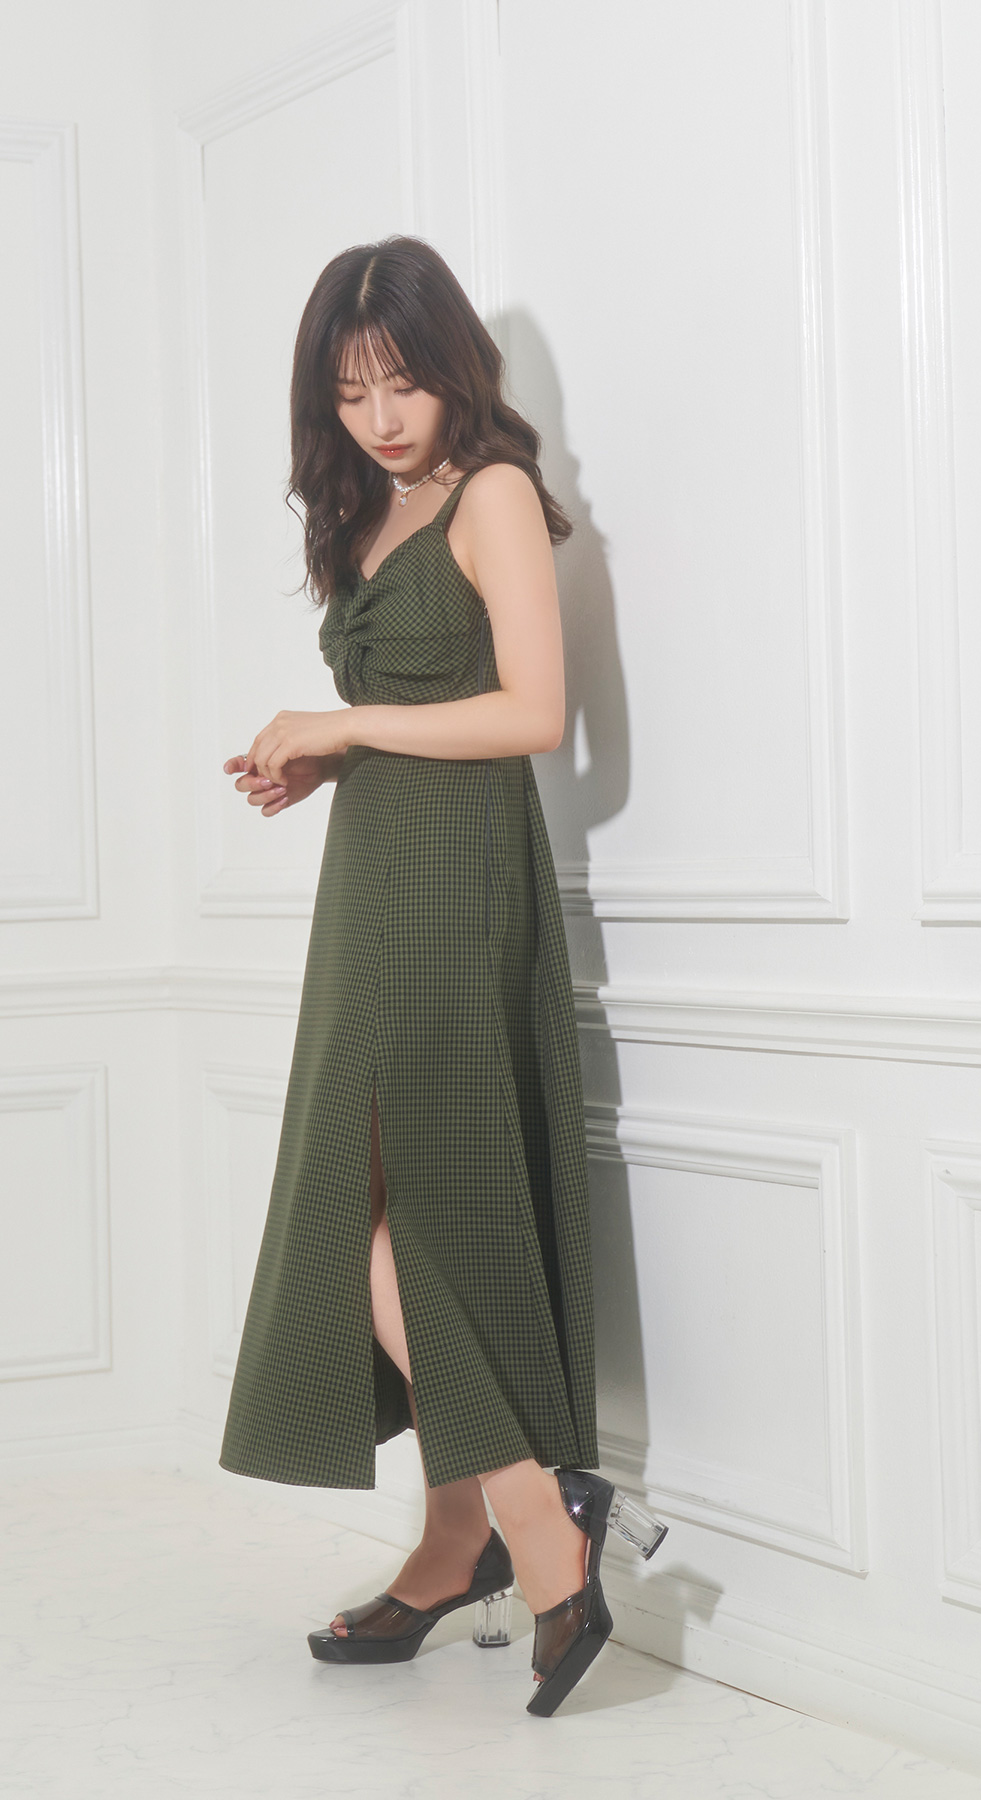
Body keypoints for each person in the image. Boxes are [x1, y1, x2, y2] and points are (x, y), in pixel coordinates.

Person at [217, 236, 666, 1716]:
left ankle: (537, 1517)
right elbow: (420, 709)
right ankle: (458, 1539)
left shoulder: (491, 496)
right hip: (372, 881)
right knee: (407, 1208)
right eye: (350, 393)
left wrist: (342, 726)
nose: (380, 417)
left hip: (460, 887)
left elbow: (534, 715)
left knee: (389, 1201)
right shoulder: (372, 508)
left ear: (453, 366)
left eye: (400, 383)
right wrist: (322, 762)